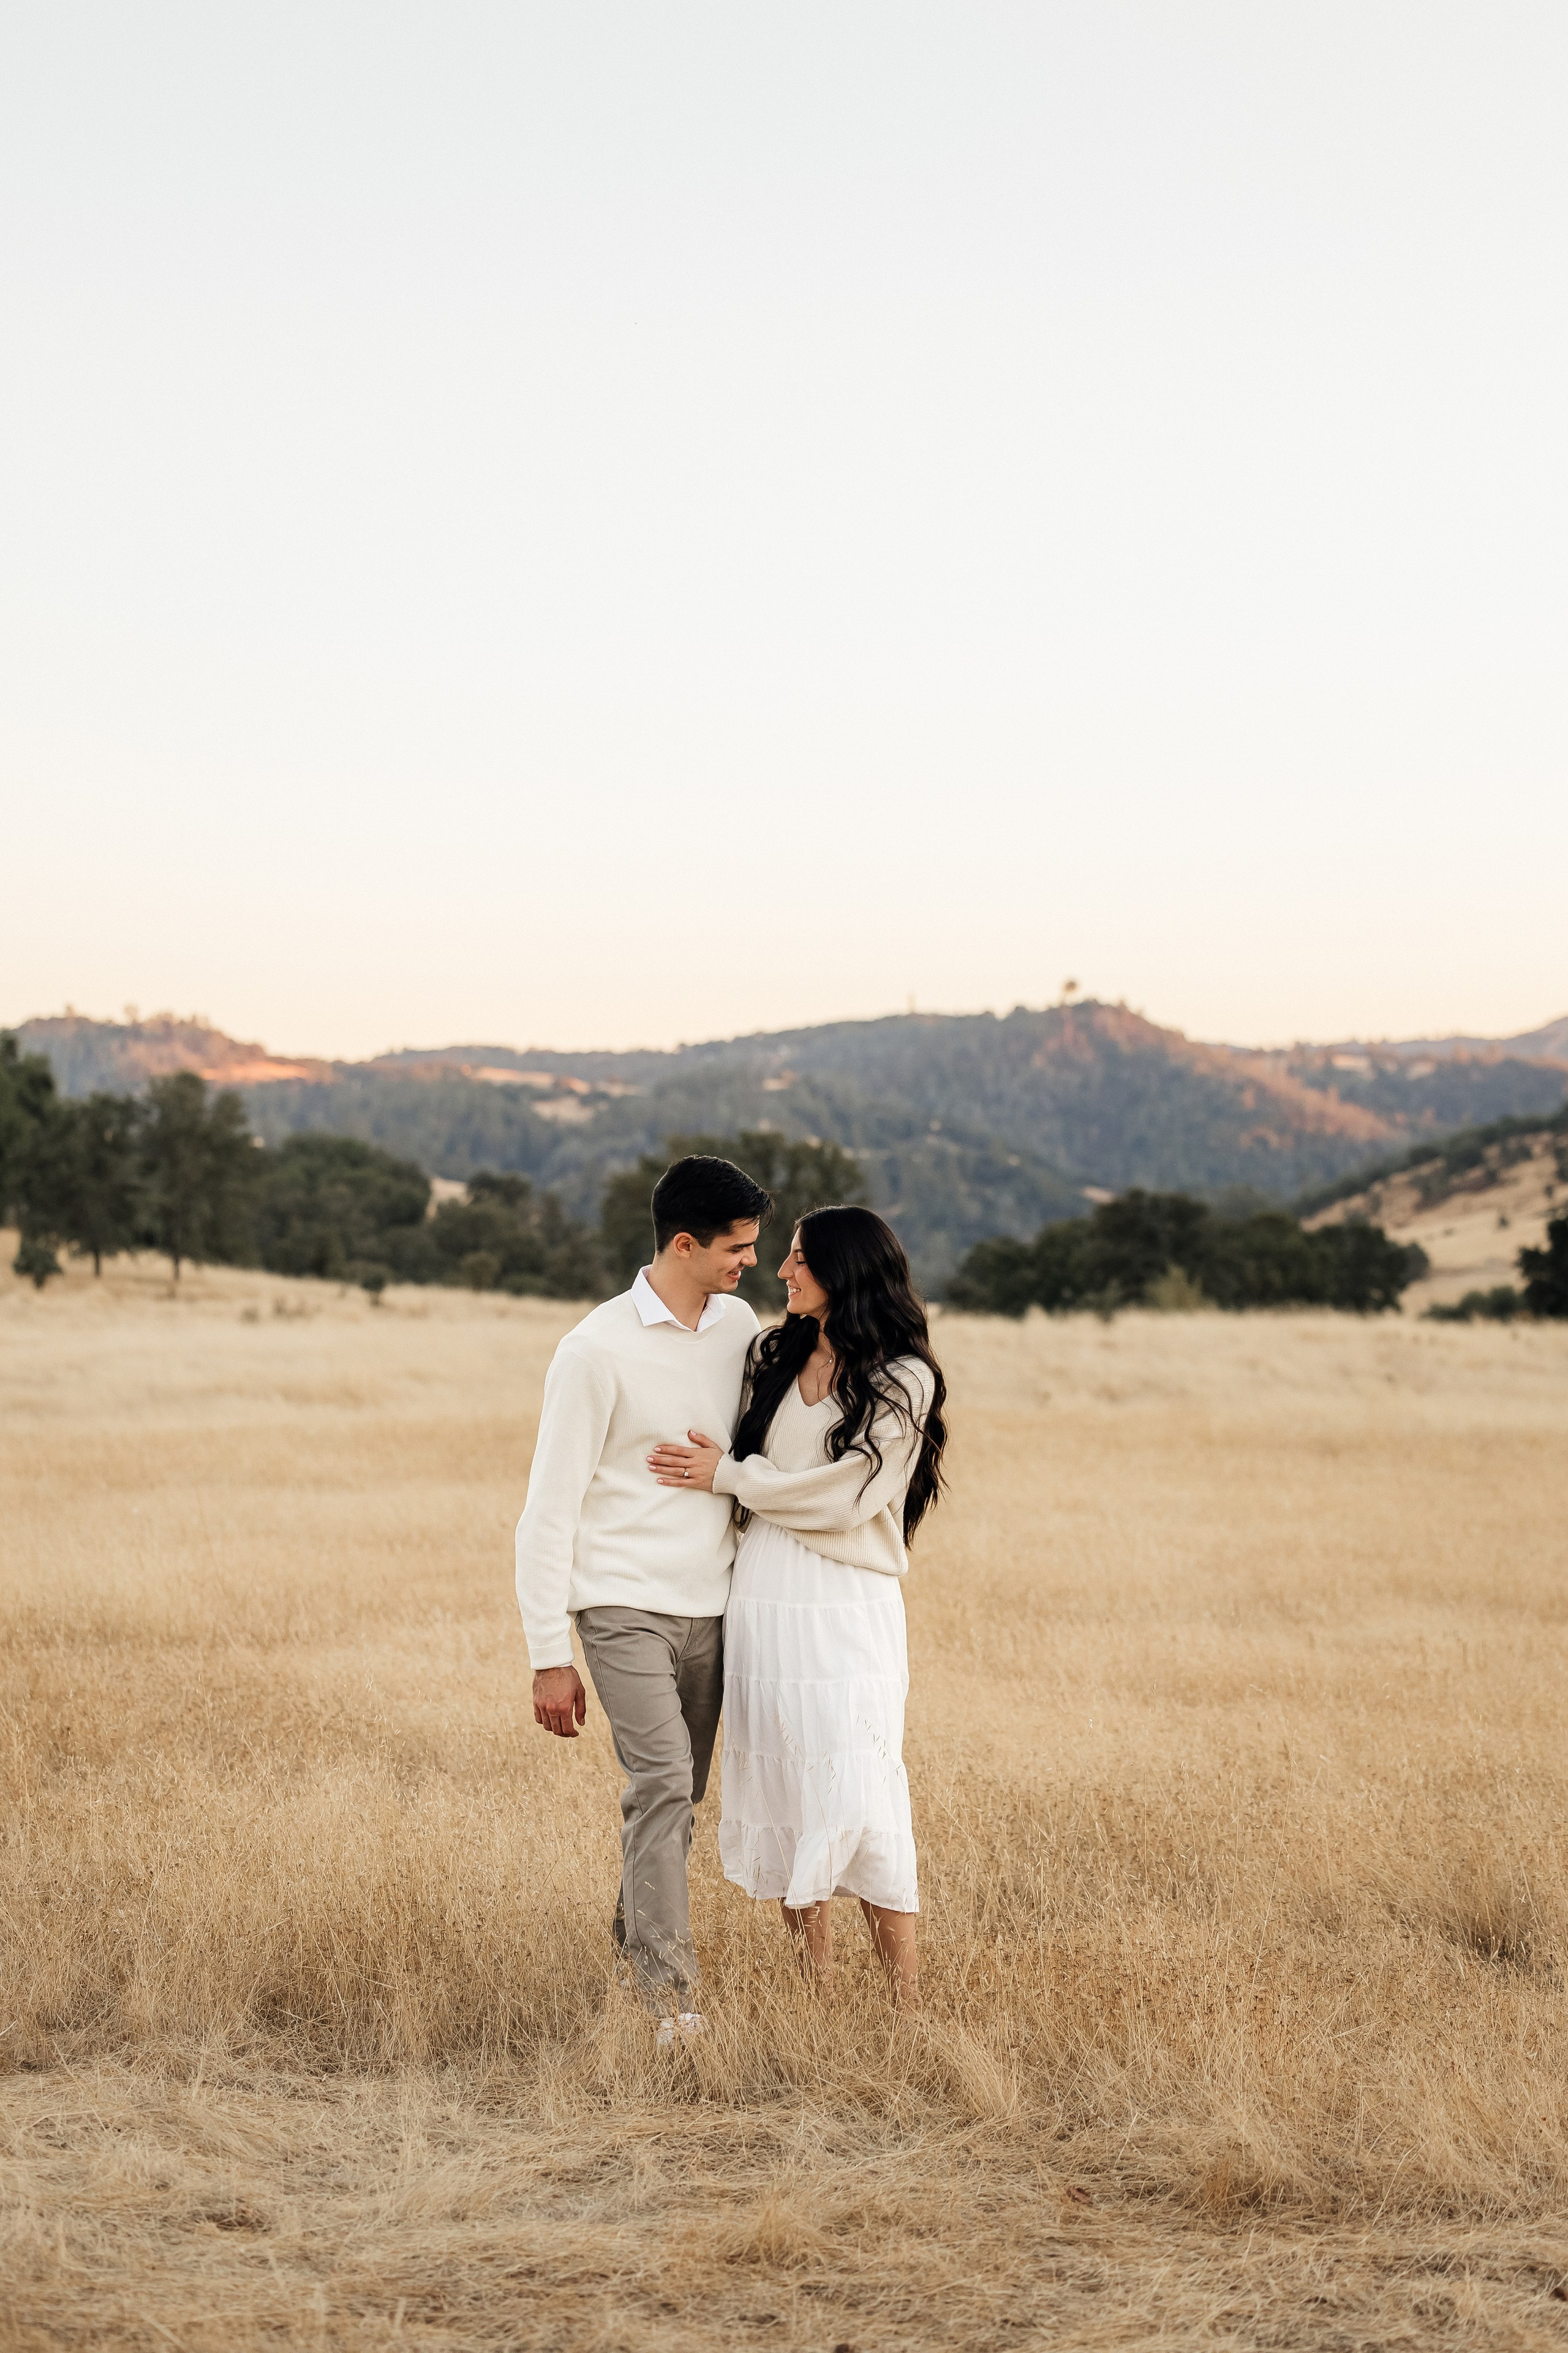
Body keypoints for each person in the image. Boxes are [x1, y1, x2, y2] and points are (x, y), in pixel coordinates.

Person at [648, 1204, 946, 2004]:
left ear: (846, 1270)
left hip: (847, 1600)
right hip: (765, 1594)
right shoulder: (770, 1354)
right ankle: (814, 1991)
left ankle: (905, 2007)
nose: (783, 1271)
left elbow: (848, 1495)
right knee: (786, 1780)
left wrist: (732, 1478)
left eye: (801, 1259)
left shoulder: (903, 1377)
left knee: (862, 1783)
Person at [516, 1154, 771, 2045]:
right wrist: (551, 1653)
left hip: (714, 1602)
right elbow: (547, 1510)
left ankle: (628, 1941)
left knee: (683, 1792)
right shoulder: (593, 1350)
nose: (752, 1263)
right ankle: (671, 2001)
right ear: (685, 1243)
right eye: (737, 1247)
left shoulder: (740, 1325)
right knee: (662, 1782)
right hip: (621, 1603)